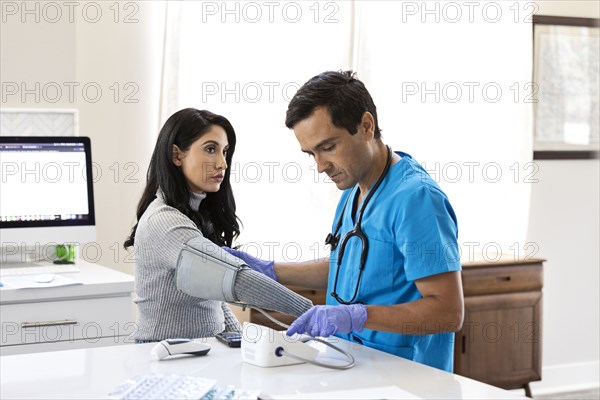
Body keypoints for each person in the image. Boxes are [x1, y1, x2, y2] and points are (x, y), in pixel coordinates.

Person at [225, 71, 464, 372]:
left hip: (406, 376)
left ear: (366, 126)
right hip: (350, 365)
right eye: (310, 153)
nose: (320, 166)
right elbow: (350, 269)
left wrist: (357, 316)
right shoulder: (353, 190)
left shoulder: (416, 199)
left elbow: (448, 311)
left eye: (328, 147)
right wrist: (271, 271)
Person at [124, 108, 312, 343]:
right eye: (210, 149)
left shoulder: (194, 214)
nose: (222, 163)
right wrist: (310, 311)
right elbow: (236, 279)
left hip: (198, 353)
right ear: (176, 155)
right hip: (166, 357)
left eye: (224, 152)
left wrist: (236, 339)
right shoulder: (164, 222)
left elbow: (213, 300)